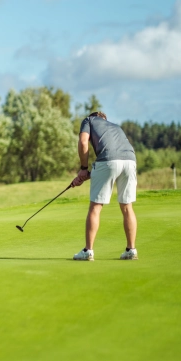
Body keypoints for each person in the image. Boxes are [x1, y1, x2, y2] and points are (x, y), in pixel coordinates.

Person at [71, 111, 138, 261]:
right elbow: (113, 164)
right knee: (127, 207)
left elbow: (83, 142)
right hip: (130, 160)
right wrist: (86, 175)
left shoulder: (89, 120)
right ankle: (131, 250)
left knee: (95, 207)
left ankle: (88, 251)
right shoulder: (115, 127)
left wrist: (83, 168)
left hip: (108, 160)